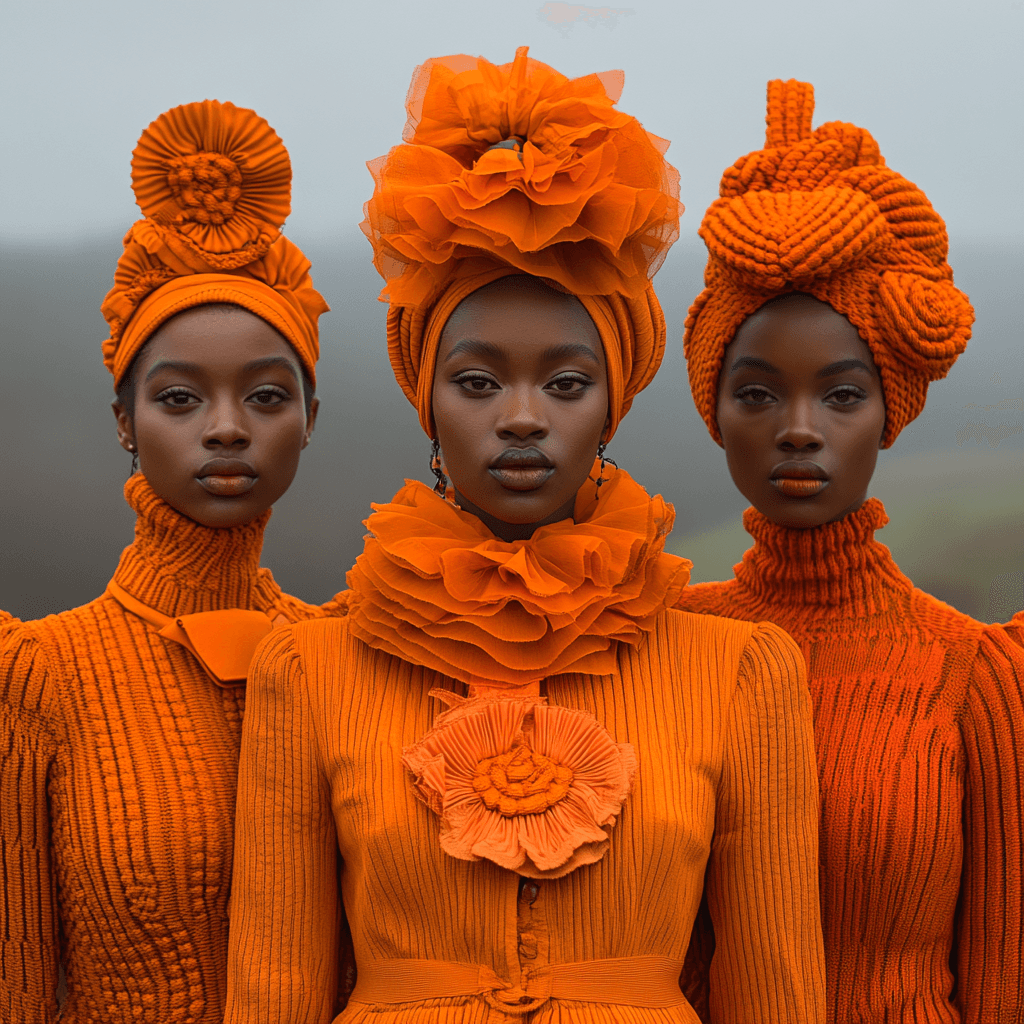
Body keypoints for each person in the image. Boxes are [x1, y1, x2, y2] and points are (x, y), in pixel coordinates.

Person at [224, 47, 825, 1023]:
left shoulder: (742, 672)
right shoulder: (308, 668)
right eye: (474, 381)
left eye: (565, 382)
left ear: (614, 403)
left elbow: (778, 992)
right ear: (423, 397)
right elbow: (271, 989)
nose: (519, 416)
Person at [677, 79, 1024, 1022]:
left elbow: (1001, 980)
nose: (798, 430)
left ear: (891, 412)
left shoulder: (968, 671)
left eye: (841, 395)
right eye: (756, 393)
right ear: (714, 410)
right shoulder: (658, 645)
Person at [0, 99, 345, 1023]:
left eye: (267, 395)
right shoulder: (41, 675)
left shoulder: (353, 658)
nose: (226, 428)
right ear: (124, 422)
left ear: (311, 418)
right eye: (181, 398)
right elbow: (18, 978)